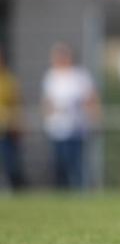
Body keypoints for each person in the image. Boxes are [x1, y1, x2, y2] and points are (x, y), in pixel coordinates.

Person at [41, 42, 101, 190]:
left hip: (76, 127)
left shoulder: (80, 75)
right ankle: (62, 191)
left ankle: (80, 191)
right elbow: (47, 102)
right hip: (57, 128)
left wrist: (94, 118)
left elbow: (91, 99)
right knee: (60, 163)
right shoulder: (51, 76)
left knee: (76, 162)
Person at [0, 49, 26, 190]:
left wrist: (18, 124)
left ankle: (14, 190)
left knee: (10, 164)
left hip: (6, 128)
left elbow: (17, 104)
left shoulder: (9, 80)